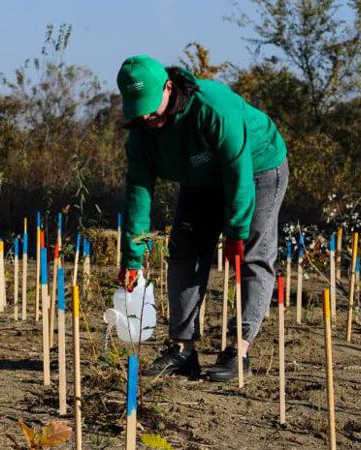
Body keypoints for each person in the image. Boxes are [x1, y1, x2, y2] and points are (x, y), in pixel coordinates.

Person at [115, 55, 289, 381]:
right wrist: (132, 259)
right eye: (139, 109)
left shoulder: (213, 108)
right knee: (184, 250)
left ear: (169, 86)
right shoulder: (141, 136)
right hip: (201, 178)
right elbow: (138, 198)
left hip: (259, 168)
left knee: (253, 255)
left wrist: (236, 233)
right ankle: (182, 350)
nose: (148, 115)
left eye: (152, 105)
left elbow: (238, 173)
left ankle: (239, 351)